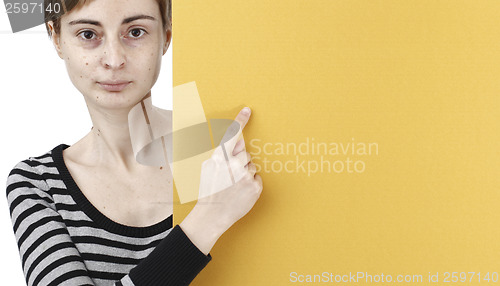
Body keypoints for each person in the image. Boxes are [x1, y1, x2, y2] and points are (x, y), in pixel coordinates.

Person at [5, 0, 263, 285]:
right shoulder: (37, 184)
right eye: (88, 34)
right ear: (56, 39)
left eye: (136, 32)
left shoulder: (234, 151)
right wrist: (209, 217)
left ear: (166, 36)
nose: (114, 60)